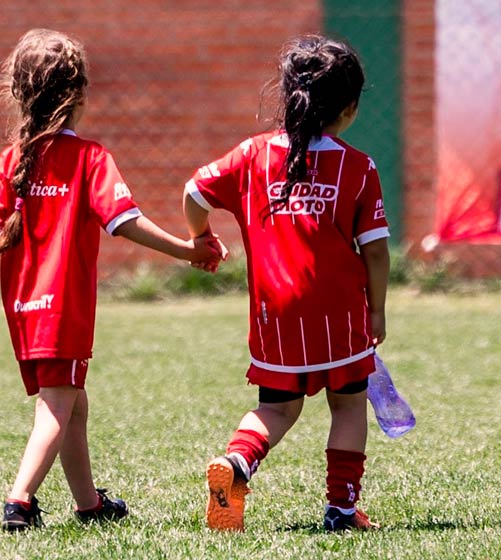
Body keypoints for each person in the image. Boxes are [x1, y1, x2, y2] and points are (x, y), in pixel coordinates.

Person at [0, 29, 225, 532]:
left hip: (21, 305)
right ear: (78, 93)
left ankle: (89, 505)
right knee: (58, 405)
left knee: (73, 404)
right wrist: (186, 249)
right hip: (62, 307)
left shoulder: (10, 160)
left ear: (18, 93)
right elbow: (123, 220)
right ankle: (20, 500)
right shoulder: (89, 158)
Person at [183, 35, 391, 532]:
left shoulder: (252, 155)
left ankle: (235, 466)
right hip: (339, 312)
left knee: (276, 409)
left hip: (275, 316)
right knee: (347, 404)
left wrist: (200, 238)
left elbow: (194, 190)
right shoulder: (358, 167)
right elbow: (377, 250)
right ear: (349, 106)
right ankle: (341, 511)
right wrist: (377, 309)